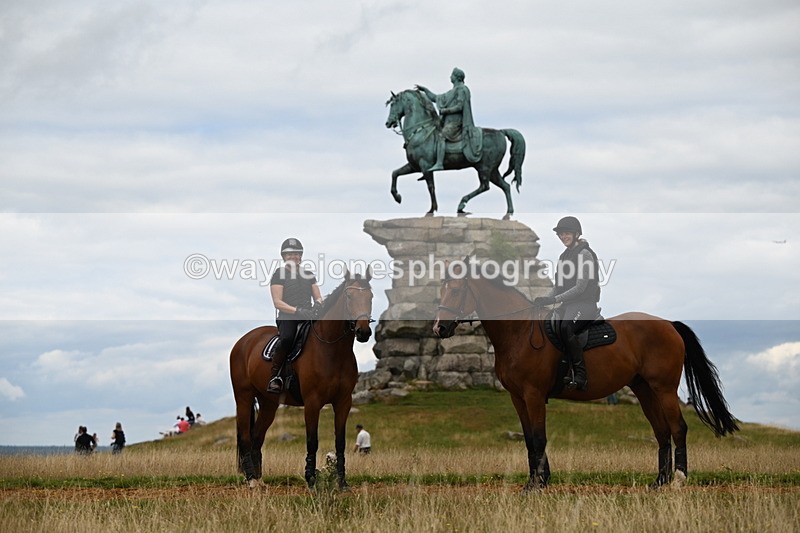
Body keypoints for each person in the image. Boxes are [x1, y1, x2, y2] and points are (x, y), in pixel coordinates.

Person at [533, 216, 601, 391]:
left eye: (567, 233)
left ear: (576, 233)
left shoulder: (585, 254)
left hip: (585, 304)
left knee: (565, 327)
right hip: (568, 305)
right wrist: (545, 299)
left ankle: (581, 375)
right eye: (561, 234)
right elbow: (558, 286)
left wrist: (554, 300)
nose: (564, 236)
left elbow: (580, 288)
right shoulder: (564, 257)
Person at [267, 237, 323, 393]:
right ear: (284, 257)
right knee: (287, 339)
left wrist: (318, 304)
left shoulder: (309, 274)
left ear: (301, 256)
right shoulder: (279, 274)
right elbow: (277, 302)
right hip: (288, 317)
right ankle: (275, 376)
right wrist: (297, 311)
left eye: (297, 254)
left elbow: (318, 296)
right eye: (290, 254)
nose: (294, 257)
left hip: (309, 315)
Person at [415, 67, 482, 171]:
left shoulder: (462, 89)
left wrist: (445, 111)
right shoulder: (452, 92)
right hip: (448, 122)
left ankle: (439, 163)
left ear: (456, 77)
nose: (450, 77)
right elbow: (435, 98)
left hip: (456, 123)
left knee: (441, 136)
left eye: (452, 75)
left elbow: (460, 107)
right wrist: (425, 90)